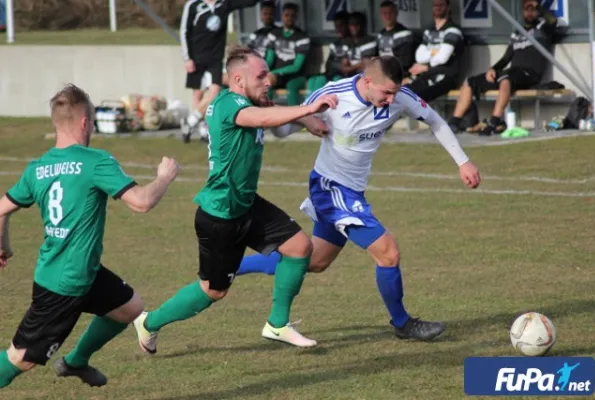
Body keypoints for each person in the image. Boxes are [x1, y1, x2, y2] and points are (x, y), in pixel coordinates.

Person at [235, 56, 482, 343]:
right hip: (330, 189)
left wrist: (463, 162)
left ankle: (233, 266)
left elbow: (435, 120)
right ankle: (403, 323)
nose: (391, 100)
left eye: (394, 93)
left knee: (314, 261)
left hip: (350, 191)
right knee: (388, 252)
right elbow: (282, 130)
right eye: (385, 93)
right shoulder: (334, 95)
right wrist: (299, 116)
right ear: (367, 82)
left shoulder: (400, 96)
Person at [132, 47, 338, 353]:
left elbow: (273, 121)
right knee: (213, 292)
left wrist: (304, 122)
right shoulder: (230, 103)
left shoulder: (248, 100)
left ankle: (277, 324)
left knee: (299, 248)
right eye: (261, 75)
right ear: (238, 79)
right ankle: (149, 322)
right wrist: (308, 110)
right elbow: (263, 117)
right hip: (220, 215)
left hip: (245, 204)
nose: (268, 80)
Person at [0, 84, 179, 389]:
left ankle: (76, 362)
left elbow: (2, 209)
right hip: (63, 284)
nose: (94, 127)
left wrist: (2, 247)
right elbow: (142, 202)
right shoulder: (95, 161)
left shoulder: (38, 167)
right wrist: (164, 177)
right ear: (85, 122)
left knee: (130, 308)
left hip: (81, 271)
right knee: (21, 358)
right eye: (94, 121)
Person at [447, 0, 558, 136]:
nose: (529, 12)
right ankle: (454, 122)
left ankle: (494, 121)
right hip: (512, 73)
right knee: (470, 81)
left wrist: (538, 6)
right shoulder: (517, 32)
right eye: (526, 9)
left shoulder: (542, 29)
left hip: (530, 74)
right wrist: (492, 69)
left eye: (532, 9)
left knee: (505, 78)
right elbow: (506, 58)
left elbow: (553, 21)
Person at [180, 0, 259, 143]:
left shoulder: (224, 4)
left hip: (215, 59)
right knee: (197, 94)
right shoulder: (193, 5)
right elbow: (184, 31)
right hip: (196, 57)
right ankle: (203, 130)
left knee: (214, 92)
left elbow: (247, 3)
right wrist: (187, 58)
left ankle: (190, 121)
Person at [403, 0, 464, 102]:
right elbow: (419, 56)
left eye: (441, 5)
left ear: (448, 7)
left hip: (447, 77)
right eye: (435, 5)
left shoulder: (453, 30)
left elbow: (442, 58)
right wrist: (434, 52)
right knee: (404, 92)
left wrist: (426, 66)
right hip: (428, 75)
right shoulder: (429, 31)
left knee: (418, 98)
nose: (438, 7)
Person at [265, 3, 310, 106]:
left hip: (296, 76)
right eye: (286, 15)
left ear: (296, 17)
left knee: (291, 86)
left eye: (292, 16)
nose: (289, 18)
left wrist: (275, 72)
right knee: (266, 84)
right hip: (277, 75)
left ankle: (294, 118)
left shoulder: (302, 37)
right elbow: (269, 59)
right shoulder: (274, 34)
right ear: (281, 16)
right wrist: (265, 72)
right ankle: (266, 116)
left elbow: (296, 67)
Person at [306, 11, 350, 95]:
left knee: (336, 81)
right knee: (315, 80)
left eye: (341, 25)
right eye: (336, 26)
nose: (338, 29)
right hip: (333, 74)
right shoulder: (335, 44)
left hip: (345, 77)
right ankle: (308, 106)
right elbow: (329, 64)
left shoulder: (353, 43)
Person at [377, 0, 415, 78]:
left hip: (399, 75)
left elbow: (405, 62)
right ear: (381, 15)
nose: (388, 16)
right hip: (383, 72)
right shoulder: (380, 34)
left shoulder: (405, 34)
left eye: (391, 12)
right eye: (385, 13)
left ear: (396, 13)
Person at [339, 12, 378, 76]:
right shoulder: (346, 42)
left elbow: (365, 66)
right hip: (349, 77)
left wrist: (351, 67)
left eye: (357, 24)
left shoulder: (370, 41)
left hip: (366, 77)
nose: (354, 27)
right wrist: (358, 65)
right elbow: (343, 68)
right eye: (351, 25)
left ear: (363, 25)